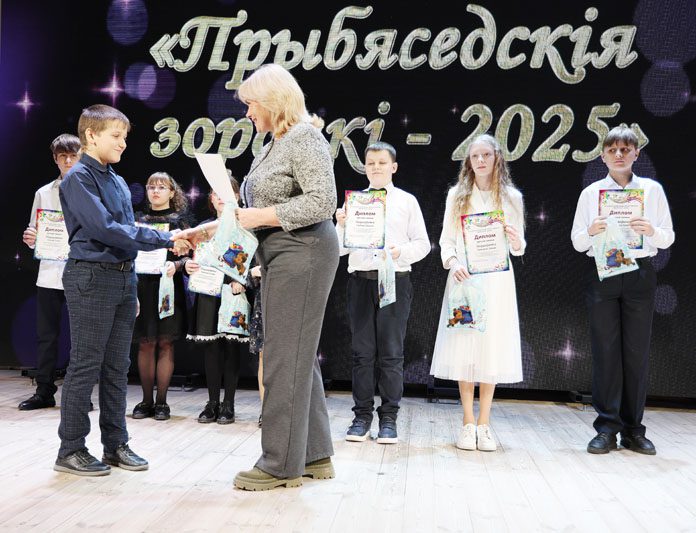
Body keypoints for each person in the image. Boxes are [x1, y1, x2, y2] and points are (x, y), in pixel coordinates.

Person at [174, 64, 338, 490]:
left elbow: (323, 202)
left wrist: (261, 215)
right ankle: (315, 455)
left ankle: (280, 465)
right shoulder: (275, 142)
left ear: (274, 101)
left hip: (304, 251)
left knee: (282, 358)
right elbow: (249, 214)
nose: (247, 113)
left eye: (251, 104)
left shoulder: (304, 137)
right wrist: (206, 230)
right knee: (297, 355)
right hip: (285, 251)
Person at [55, 104, 187, 477]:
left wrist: (141, 271)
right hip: (91, 277)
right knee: (86, 364)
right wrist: (166, 239)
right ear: (90, 135)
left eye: (125, 137)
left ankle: (115, 444)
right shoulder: (78, 178)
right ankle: (71, 448)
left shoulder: (114, 179)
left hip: (122, 278)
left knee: (117, 366)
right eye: (116, 136)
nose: (123, 143)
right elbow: (106, 229)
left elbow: (127, 233)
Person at [571, 125, 674, 456]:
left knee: (636, 353)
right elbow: (577, 242)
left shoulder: (651, 191)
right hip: (604, 271)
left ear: (636, 154)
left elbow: (668, 237)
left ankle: (633, 430)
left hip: (639, 272)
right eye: (612, 150)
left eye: (625, 149)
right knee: (605, 352)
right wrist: (591, 230)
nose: (619, 154)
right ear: (602, 156)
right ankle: (606, 429)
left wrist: (651, 230)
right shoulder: (592, 194)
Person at [429, 134, 526, 452]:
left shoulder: (512, 197)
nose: (481, 161)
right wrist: (453, 262)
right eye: (475, 156)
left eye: (486, 155)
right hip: (465, 281)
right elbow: (446, 241)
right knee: (464, 348)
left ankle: (485, 423)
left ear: (497, 158)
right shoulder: (457, 195)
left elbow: (519, 246)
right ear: (468, 162)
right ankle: (467, 422)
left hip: (497, 283)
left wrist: (515, 240)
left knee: (490, 348)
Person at [335, 142, 429, 444]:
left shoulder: (407, 201)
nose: (376, 167)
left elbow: (423, 245)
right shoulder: (354, 203)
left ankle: (389, 419)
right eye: (371, 163)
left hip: (394, 281)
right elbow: (339, 250)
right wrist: (340, 225)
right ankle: (361, 417)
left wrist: (400, 252)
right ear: (365, 167)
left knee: (391, 354)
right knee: (362, 354)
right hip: (360, 282)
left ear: (393, 167)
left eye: (381, 162)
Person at [18, 134, 81, 411]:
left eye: (73, 156)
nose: (68, 161)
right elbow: (35, 230)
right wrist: (31, 238)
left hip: (80, 272)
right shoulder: (43, 192)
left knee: (82, 338)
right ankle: (44, 391)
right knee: (46, 335)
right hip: (49, 273)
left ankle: (79, 394)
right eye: (62, 156)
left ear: (81, 157)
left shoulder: (91, 190)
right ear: (55, 159)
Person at [185, 179, 253, 425]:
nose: (222, 197)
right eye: (217, 193)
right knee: (211, 349)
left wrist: (244, 279)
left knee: (231, 348)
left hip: (233, 293)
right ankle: (212, 402)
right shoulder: (203, 229)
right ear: (211, 198)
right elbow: (192, 258)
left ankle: (229, 403)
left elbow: (256, 260)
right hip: (208, 293)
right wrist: (188, 266)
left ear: (238, 196)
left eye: (228, 192)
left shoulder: (245, 226)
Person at [131, 172, 192, 421]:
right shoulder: (137, 220)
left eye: (161, 187)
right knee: (145, 343)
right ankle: (146, 400)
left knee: (166, 342)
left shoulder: (181, 222)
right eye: (151, 187)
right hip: (142, 287)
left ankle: (162, 402)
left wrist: (176, 266)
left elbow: (192, 257)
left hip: (168, 288)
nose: (155, 191)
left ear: (172, 192)